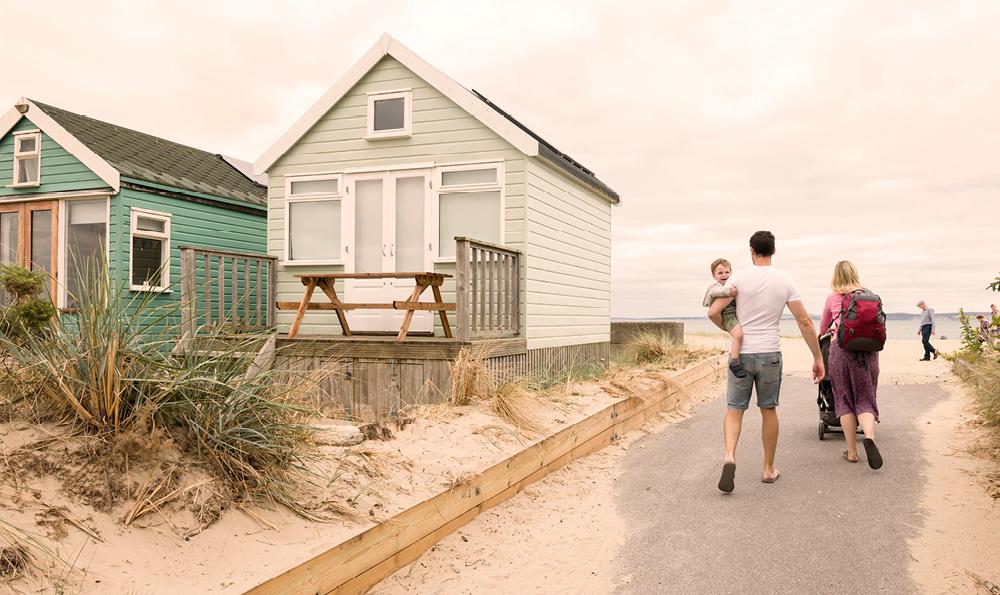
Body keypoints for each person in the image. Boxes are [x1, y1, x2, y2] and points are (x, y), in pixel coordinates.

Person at [708, 231, 824, 492]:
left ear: (751, 250)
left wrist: (731, 329)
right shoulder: (785, 281)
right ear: (773, 250)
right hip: (770, 353)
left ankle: (729, 455)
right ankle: (768, 469)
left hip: (741, 354)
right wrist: (817, 357)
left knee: (734, 409)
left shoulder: (736, 279)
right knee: (768, 409)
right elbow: (804, 322)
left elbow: (713, 311)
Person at [819, 261, 883, 469]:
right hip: (868, 352)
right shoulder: (869, 295)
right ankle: (870, 436)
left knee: (844, 398)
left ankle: (852, 452)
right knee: (866, 396)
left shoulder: (833, 297)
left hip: (841, 351)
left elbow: (822, 327)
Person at [702, 258, 745, 378]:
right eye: (720, 273)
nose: (724, 275)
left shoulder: (730, 285)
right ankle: (735, 361)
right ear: (714, 275)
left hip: (735, 313)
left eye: (727, 272)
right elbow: (715, 293)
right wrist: (730, 293)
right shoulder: (715, 286)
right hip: (727, 315)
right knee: (738, 335)